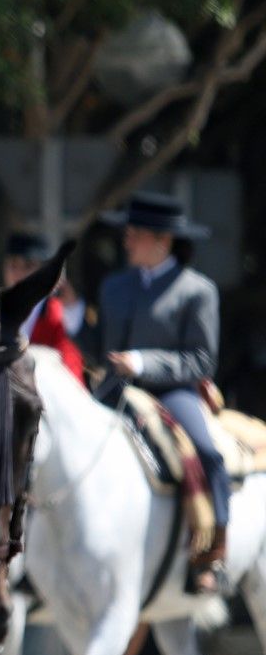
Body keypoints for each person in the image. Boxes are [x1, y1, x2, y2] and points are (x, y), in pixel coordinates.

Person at [96, 191, 227, 593]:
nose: (126, 241)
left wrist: (143, 363)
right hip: (115, 391)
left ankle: (213, 553)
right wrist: (68, 316)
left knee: (208, 453)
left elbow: (202, 361)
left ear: (163, 241)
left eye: (134, 234)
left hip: (172, 393)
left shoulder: (197, 290)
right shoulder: (114, 287)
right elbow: (98, 347)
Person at [3, 230, 84, 381]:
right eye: (13, 265)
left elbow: (72, 366)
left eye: (28, 266)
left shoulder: (60, 310)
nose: (19, 273)